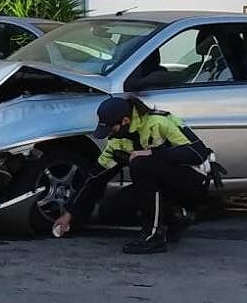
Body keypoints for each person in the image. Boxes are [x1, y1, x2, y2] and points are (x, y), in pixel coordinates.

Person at [53, 96, 222, 254]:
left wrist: (152, 153)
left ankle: (153, 235)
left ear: (125, 121)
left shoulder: (158, 122)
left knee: (141, 163)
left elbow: (197, 152)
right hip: (162, 185)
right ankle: (176, 215)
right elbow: (95, 178)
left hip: (192, 182)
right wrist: (70, 214)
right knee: (110, 210)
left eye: (111, 128)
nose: (109, 134)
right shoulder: (117, 141)